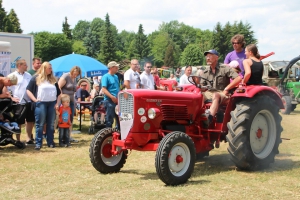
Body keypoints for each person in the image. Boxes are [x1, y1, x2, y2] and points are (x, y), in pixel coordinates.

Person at [26, 62, 62, 150]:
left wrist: (57, 103)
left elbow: (59, 93)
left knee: (50, 124)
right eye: (49, 68)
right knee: (40, 124)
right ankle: (38, 143)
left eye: (51, 68)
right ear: (44, 69)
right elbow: (28, 90)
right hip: (41, 103)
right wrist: (34, 100)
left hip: (52, 103)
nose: (51, 70)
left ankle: (50, 142)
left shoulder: (53, 80)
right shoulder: (36, 78)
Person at [201, 49, 242, 125]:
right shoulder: (205, 71)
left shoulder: (224, 68)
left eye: (210, 56)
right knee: (198, 96)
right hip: (209, 92)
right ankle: (195, 117)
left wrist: (227, 88)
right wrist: (200, 87)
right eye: (207, 56)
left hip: (222, 93)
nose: (208, 58)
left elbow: (238, 78)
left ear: (216, 57)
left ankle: (209, 118)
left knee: (216, 95)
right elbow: (202, 86)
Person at [7, 59, 35, 145]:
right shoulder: (12, 76)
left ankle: (28, 138)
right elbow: (7, 90)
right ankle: (18, 140)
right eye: (25, 65)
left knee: (30, 120)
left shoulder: (28, 75)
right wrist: (11, 98)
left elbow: (31, 87)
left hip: (29, 101)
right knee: (19, 121)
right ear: (19, 66)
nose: (27, 66)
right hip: (19, 102)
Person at [57, 66, 81, 143]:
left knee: (70, 119)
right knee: (62, 118)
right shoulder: (66, 76)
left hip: (71, 101)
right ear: (72, 71)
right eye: (74, 74)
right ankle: (61, 136)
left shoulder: (75, 79)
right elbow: (58, 87)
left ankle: (68, 136)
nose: (75, 75)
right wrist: (62, 97)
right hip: (63, 101)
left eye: (77, 74)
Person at [101, 61, 120, 129]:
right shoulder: (105, 77)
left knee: (119, 118)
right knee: (109, 120)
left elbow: (117, 88)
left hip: (117, 100)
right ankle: (108, 136)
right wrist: (112, 97)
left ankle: (118, 134)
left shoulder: (116, 77)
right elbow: (104, 89)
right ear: (111, 68)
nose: (117, 68)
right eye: (116, 67)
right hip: (109, 101)